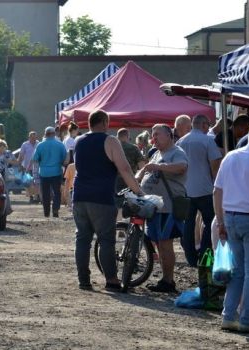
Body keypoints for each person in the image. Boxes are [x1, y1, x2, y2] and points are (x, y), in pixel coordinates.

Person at [73, 110, 144, 291]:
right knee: (106, 240)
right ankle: (111, 279)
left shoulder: (79, 141)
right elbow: (125, 169)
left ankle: (83, 280)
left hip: (80, 196)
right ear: (104, 122)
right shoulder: (110, 141)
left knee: (82, 239)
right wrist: (138, 191)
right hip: (101, 197)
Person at [213, 125, 249, 332]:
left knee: (238, 271)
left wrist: (220, 221)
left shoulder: (230, 157)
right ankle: (246, 320)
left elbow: (217, 191)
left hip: (230, 217)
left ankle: (228, 316)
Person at [136, 124, 188, 293]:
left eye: (157, 134)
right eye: (153, 135)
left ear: (169, 135)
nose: (154, 138)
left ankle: (168, 281)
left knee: (166, 244)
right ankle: (165, 279)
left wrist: (158, 167)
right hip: (156, 207)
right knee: (159, 244)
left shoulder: (177, 152)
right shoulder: (157, 153)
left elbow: (182, 167)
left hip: (168, 207)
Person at [176, 114, 222, 267]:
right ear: (203, 125)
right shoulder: (208, 140)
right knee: (209, 224)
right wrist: (216, 183)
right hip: (205, 189)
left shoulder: (181, 141)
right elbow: (215, 163)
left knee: (188, 224)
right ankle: (205, 256)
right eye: (208, 125)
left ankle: (191, 258)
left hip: (186, 189)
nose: (208, 128)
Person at [32, 126, 67, 218]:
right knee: (57, 192)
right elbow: (65, 159)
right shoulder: (60, 145)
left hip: (44, 173)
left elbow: (35, 159)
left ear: (45, 134)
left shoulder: (40, 145)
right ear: (54, 134)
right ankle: (55, 209)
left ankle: (46, 212)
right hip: (56, 172)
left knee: (45, 193)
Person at [116, 128, 145, 193]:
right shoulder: (134, 148)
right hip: (130, 181)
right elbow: (142, 166)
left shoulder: (111, 148)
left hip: (114, 181)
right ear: (127, 136)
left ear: (117, 136)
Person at [0, 138, 16, 215]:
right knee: (4, 192)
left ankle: (8, 209)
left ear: (3, 146)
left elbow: (15, 162)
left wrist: (8, 161)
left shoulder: (8, 153)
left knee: (5, 192)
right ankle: (7, 209)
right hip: (0, 176)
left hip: (7, 175)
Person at [18, 131, 40, 203]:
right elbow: (21, 155)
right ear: (29, 137)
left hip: (37, 167)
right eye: (32, 137)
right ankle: (31, 197)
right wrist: (20, 164)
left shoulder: (39, 144)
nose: (33, 139)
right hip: (27, 167)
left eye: (35, 137)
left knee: (36, 183)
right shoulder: (25, 144)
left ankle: (37, 196)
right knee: (29, 183)